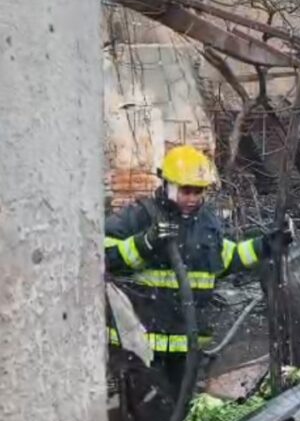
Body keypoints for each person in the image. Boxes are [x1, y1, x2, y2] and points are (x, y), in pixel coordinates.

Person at [104, 145, 287, 398]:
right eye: (185, 190)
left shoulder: (207, 222)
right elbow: (100, 254)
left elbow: (226, 258)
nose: (192, 198)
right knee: (146, 417)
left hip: (186, 344)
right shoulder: (140, 217)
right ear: (167, 184)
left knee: (179, 413)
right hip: (140, 344)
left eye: (198, 191)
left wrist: (264, 246)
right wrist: (144, 243)